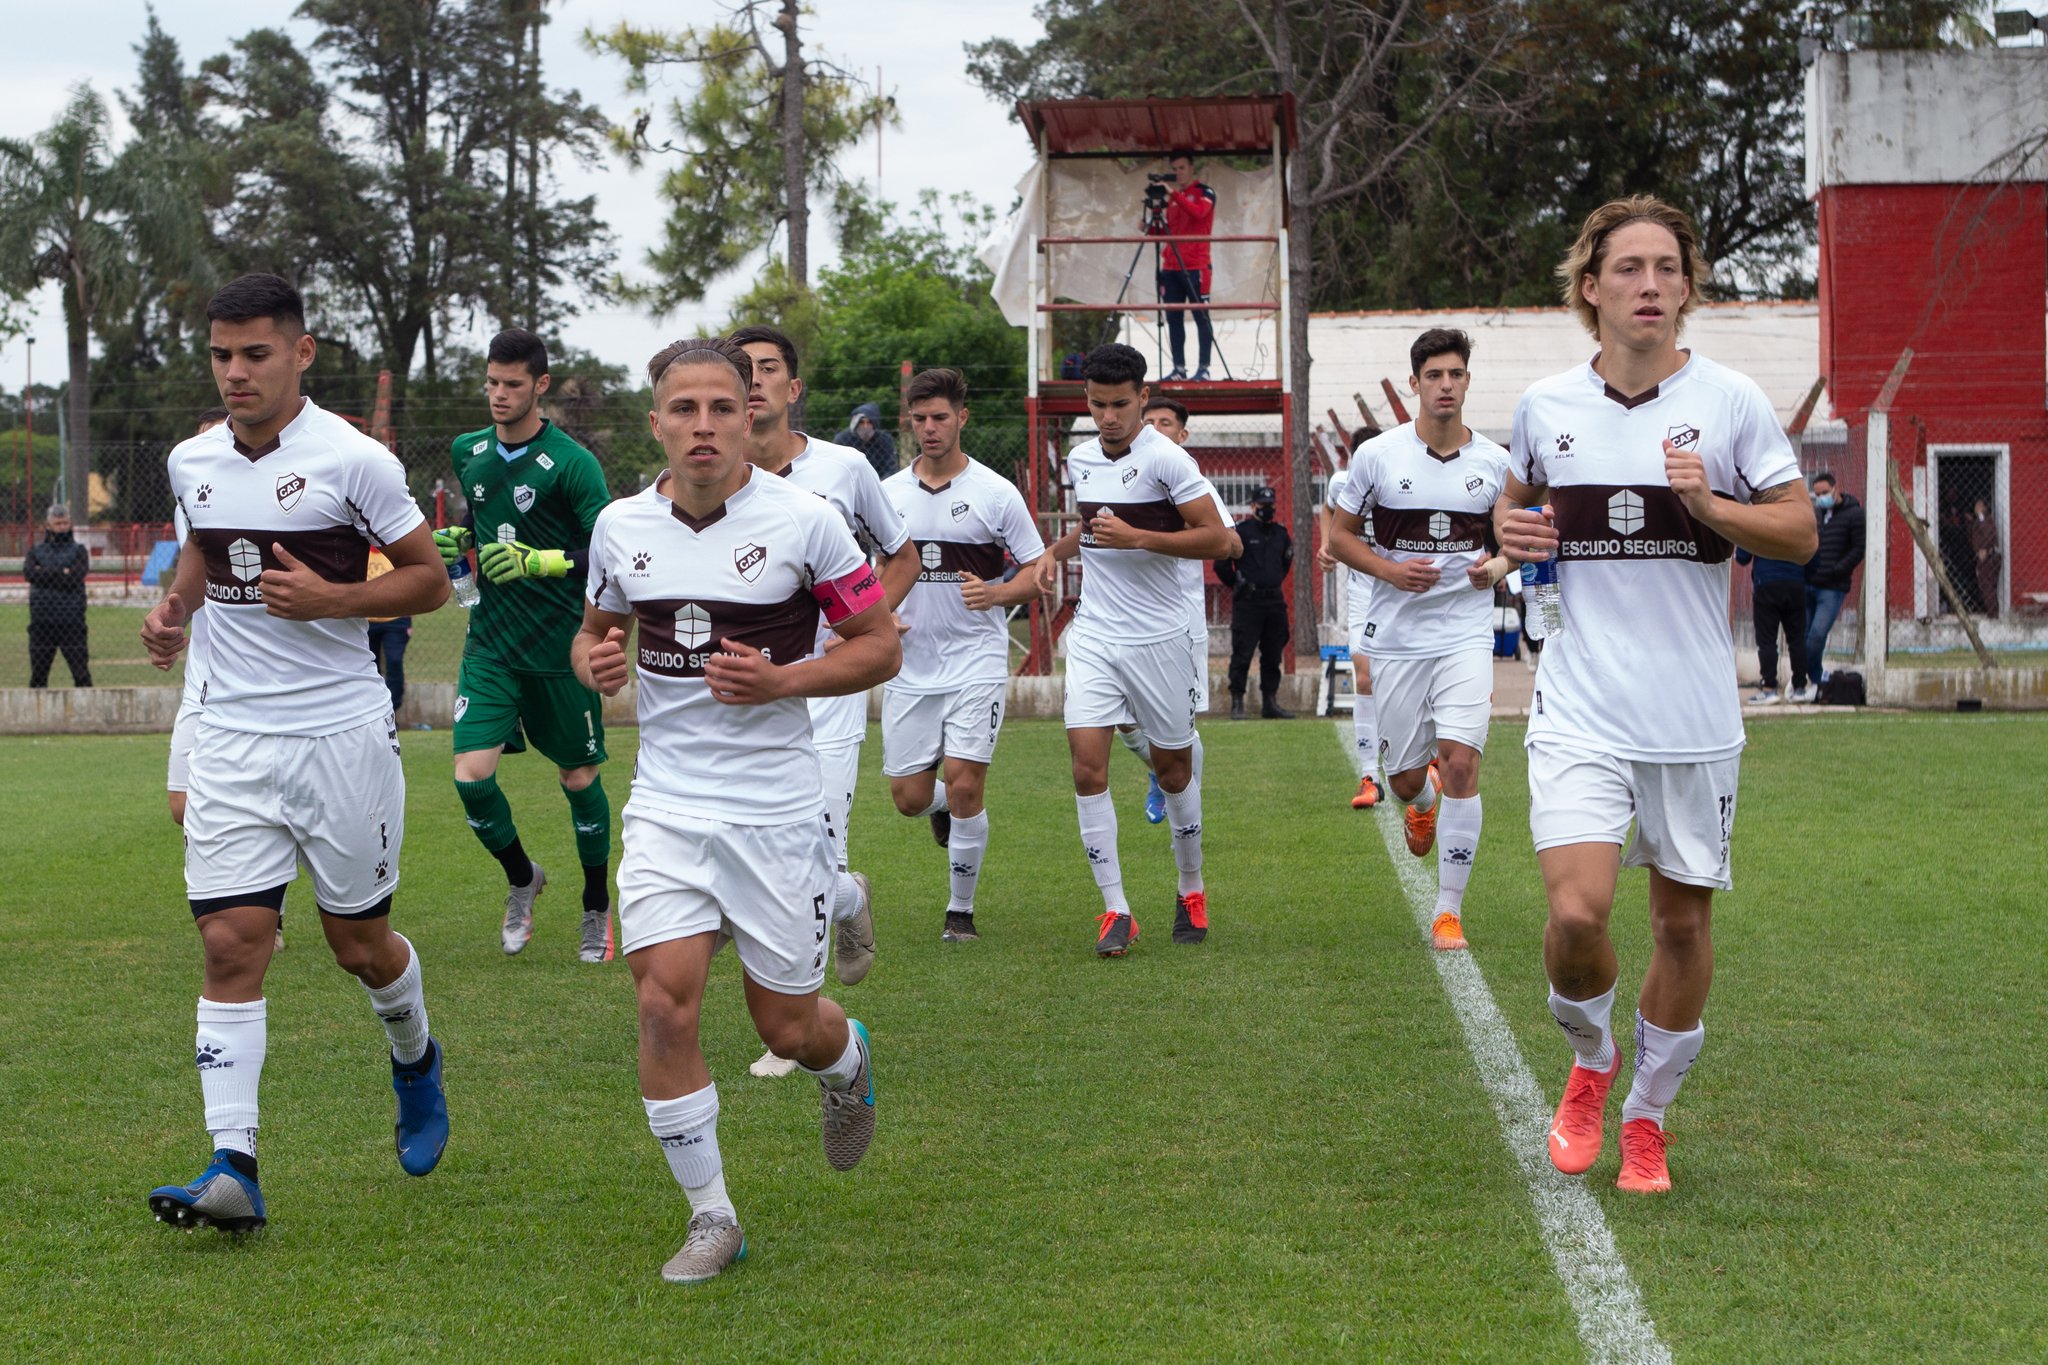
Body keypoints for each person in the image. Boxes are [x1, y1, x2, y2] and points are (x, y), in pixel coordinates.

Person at [1495, 198, 1815, 1194]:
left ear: (1686, 287)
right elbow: (1513, 508)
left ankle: (1646, 1117)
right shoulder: (1545, 407)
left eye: (1664, 269)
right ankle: (1590, 1063)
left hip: (1692, 720)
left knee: (1680, 928)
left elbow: (1798, 534)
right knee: (1577, 913)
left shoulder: (1727, 405)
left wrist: (1709, 506)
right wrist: (1509, 537)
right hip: (1580, 709)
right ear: (1588, 288)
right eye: (1626, 268)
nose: (1647, 285)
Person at [573, 337, 897, 1284]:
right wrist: (591, 664)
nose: (705, 425)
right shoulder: (619, 525)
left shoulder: (809, 523)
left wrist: (783, 677)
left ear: (753, 413)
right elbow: (595, 634)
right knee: (663, 1001)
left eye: (724, 406)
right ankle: (713, 1216)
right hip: (668, 805)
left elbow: (879, 646)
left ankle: (849, 1065)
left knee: (785, 1027)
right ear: (658, 423)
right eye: (686, 409)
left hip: (774, 811)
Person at [139, 272, 452, 1233]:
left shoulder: (355, 461)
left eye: (256, 354)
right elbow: (201, 547)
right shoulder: (193, 459)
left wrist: (334, 600)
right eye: (222, 355)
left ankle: (414, 1051)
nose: (236, 372)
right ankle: (234, 1163)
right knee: (232, 941)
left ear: (302, 352)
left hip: (339, 735)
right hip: (231, 734)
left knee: (358, 945)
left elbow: (430, 582)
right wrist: (174, 609)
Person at [729, 324, 918, 1074]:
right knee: (765, 850)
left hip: (830, 690)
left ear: (793, 388)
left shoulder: (843, 469)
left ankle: (794, 1027)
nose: (753, 381)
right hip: (743, 694)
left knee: (812, 842)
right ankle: (847, 900)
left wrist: (857, 630)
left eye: (768, 369)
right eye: (740, 369)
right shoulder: (714, 475)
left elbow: (898, 556)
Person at [1033, 343, 1234, 954]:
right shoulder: (1080, 457)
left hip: (1162, 638)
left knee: (1175, 770)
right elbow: (1095, 525)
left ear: (1144, 398)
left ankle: (1191, 887)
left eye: (1121, 404)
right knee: (1086, 766)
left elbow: (1223, 544)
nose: (1109, 416)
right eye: (1097, 404)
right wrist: (1055, 551)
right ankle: (1116, 908)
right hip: (1096, 634)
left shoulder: (1168, 461)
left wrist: (1139, 536)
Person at [434, 329, 616, 963]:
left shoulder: (573, 462)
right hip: (490, 643)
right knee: (471, 778)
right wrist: (458, 542)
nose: (499, 395)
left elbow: (610, 551)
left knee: (578, 776)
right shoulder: (469, 450)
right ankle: (522, 879)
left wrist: (543, 561)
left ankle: (596, 904)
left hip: (562, 648)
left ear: (540, 386)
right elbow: (482, 522)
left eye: (512, 384)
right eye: (491, 383)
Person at [1328, 329, 1513, 953]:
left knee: (1463, 763)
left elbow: (1518, 538)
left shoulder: (1494, 462)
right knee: (1407, 779)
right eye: (1434, 375)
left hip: (1464, 631)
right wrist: (1390, 571)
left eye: (1456, 374)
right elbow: (1340, 538)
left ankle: (1448, 911)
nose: (1445, 385)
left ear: (1467, 382)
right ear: (1414, 384)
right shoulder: (1377, 456)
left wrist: (1498, 567)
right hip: (1399, 636)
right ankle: (1422, 801)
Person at [882, 368, 1046, 942]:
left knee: (967, 782)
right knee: (907, 798)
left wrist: (999, 593)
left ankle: (960, 914)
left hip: (976, 659)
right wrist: (878, 613)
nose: (930, 428)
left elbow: (1037, 570)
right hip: (908, 663)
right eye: (920, 418)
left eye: (940, 418)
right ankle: (940, 808)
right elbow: (862, 570)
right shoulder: (887, 494)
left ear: (962, 419)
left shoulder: (995, 492)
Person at [166, 409, 289, 952]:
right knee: (181, 806)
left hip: (260, 687)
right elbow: (187, 584)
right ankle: (249, 895)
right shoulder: (190, 498)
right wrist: (169, 615)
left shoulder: (266, 504)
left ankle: (264, 908)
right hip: (202, 679)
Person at [1320, 424, 1385, 806]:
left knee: (1407, 682)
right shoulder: (1341, 483)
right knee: (1364, 675)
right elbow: (1329, 509)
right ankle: (1369, 777)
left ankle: (1423, 761)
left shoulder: (1402, 484)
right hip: (1362, 591)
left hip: (1400, 594)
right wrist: (1329, 544)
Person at [1215, 484, 1293, 719]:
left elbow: (1285, 563)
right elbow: (1221, 564)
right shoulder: (1243, 531)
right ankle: (1237, 701)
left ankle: (1270, 701)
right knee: (1242, 653)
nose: (1267, 510)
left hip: (1274, 602)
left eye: (1270, 506)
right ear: (1252, 507)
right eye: (1262, 506)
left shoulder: (1281, 533)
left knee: (1273, 654)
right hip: (1248, 603)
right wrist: (1238, 584)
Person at [1156, 150, 1216, 382]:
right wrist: (1149, 224)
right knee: (1173, 317)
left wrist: (1175, 195)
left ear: (1192, 168)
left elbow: (1199, 214)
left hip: (1196, 265)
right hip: (1170, 266)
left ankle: (1204, 368)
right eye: (1174, 169)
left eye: (1181, 168)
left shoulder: (1204, 192)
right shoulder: (1172, 199)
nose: (1178, 173)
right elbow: (1169, 230)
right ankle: (1179, 368)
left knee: (1201, 315)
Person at [1802, 471, 1862, 681]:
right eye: (1817, 494)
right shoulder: (1816, 513)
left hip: (1832, 587)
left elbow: (1858, 548)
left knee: (1817, 636)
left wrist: (1837, 570)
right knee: (1803, 636)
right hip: (1808, 582)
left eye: (1825, 492)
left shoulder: (1854, 514)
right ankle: (1812, 679)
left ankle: (1813, 677)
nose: (1821, 498)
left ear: (1836, 488)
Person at [25, 503, 91, 688]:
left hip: (72, 622)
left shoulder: (79, 551)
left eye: (65, 523)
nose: (62, 527)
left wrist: (44, 573)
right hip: (41, 622)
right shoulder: (36, 550)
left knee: (81, 675)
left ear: (70, 524)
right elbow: (29, 573)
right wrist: (63, 572)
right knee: (38, 676)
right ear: (48, 526)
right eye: (57, 523)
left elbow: (76, 576)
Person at [1737, 545, 1811, 704]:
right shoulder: (1798, 520)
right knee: (1797, 639)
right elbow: (1812, 550)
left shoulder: (1759, 519)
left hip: (1766, 581)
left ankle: (1769, 688)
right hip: (1795, 583)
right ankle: (1799, 688)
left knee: (1766, 641)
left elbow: (1742, 557)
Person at [364, 546, 412, 714]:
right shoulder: (362, 552)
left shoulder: (394, 550)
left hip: (396, 620)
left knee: (394, 662)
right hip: (367, 621)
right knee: (369, 667)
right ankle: (373, 711)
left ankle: (392, 709)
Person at [832, 402, 899, 482]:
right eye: (862, 422)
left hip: (880, 483)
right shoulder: (843, 439)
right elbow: (836, 467)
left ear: (875, 424)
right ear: (856, 423)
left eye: (869, 422)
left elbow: (891, 469)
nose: (865, 426)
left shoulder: (885, 439)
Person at [1969, 498, 2001, 619]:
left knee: (1987, 585)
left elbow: (1987, 534)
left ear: (1982, 507)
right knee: (1988, 585)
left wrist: (1984, 549)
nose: (1975, 508)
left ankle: (1993, 613)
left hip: (1988, 557)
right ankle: (1993, 611)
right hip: (1988, 556)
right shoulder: (1980, 521)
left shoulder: (1983, 520)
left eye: (1978, 506)